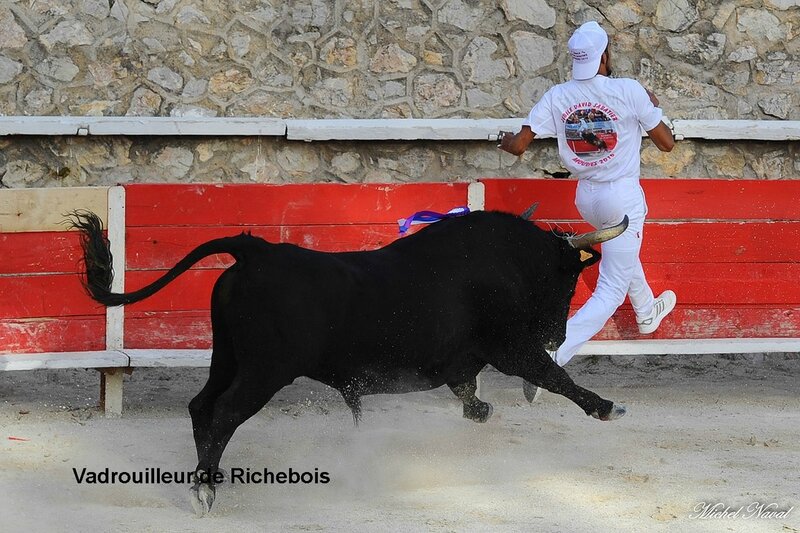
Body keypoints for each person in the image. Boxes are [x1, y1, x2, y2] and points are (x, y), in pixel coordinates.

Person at [499, 20, 677, 372]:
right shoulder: (627, 90)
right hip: (621, 199)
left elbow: (518, 145)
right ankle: (553, 358)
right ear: (605, 57)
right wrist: (650, 106)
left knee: (623, 253)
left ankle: (646, 311)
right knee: (610, 289)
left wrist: (501, 139)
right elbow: (666, 143)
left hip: (587, 199)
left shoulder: (558, 96)